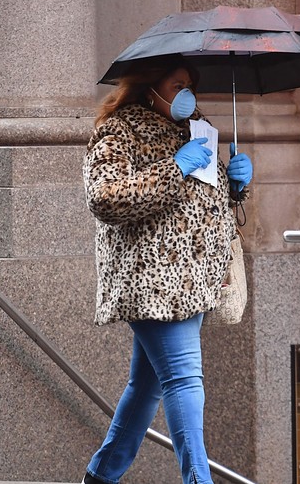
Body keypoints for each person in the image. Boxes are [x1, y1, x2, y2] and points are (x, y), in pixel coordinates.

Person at [80, 57, 252, 484]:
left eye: (191, 85)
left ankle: (100, 476)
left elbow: (204, 203)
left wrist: (237, 184)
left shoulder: (198, 129)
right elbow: (106, 198)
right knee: (184, 379)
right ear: (150, 86)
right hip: (150, 279)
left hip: (193, 280)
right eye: (179, 85)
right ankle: (198, 479)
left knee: (146, 386)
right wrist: (176, 166)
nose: (188, 94)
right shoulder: (118, 131)